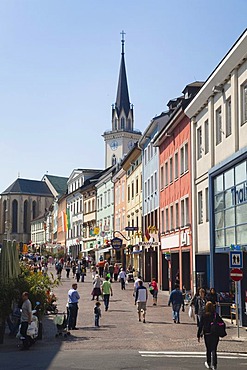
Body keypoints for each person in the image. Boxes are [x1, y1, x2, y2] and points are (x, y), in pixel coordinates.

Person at [197, 301, 221, 370]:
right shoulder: (216, 315)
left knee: (208, 349)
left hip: (207, 334)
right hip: (215, 334)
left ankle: (209, 362)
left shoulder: (204, 315)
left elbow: (200, 326)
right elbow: (221, 323)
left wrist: (198, 335)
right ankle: (215, 364)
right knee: (214, 349)